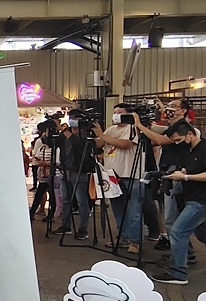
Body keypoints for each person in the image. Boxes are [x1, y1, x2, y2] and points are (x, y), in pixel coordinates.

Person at [151, 121, 206, 285]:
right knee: (205, 234)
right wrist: (179, 173)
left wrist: (186, 177)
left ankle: (178, 272)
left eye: (178, 140)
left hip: (202, 200)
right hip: (192, 197)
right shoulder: (189, 151)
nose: (177, 144)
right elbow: (192, 169)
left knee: (178, 231)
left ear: (190, 134)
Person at [133, 99, 200, 254]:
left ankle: (184, 256)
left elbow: (159, 140)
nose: (169, 109)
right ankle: (183, 253)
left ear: (183, 111)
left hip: (176, 172)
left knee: (172, 219)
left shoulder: (182, 127)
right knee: (171, 216)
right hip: (167, 171)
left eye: (173, 106)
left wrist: (140, 125)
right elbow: (153, 142)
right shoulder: (172, 127)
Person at [93, 104, 143, 254]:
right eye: (114, 112)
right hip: (112, 175)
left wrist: (102, 135)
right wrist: (89, 134)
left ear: (128, 114)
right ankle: (123, 236)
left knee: (134, 210)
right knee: (118, 209)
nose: (116, 115)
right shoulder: (111, 130)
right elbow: (99, 143)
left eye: (119, 112)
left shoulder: (132, 128)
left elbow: (125, 144)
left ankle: (135, 241)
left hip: (130, 174)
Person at [52, 111, 94, 240]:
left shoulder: (85, 133)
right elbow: (52, 143)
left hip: (79, 171)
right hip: (66, 170)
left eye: (74, 118)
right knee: (65, 199)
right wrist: (51, 131)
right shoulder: (66, 134)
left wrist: (64, 130)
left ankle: (83, 228)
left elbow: (79, 144)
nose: (71, 120)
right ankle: (66, 225)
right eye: (70, 118)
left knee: (82, 201)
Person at [29, 125, 53, 220]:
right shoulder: (42, 149)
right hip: (43, 176)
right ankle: (32, 212)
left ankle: (50, 214)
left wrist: (45, 163)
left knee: (52, 196)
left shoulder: (55, 150)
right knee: (39, 194)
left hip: (52, 175)